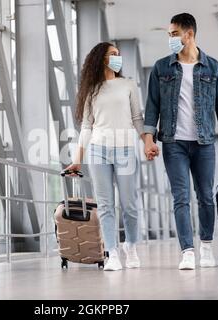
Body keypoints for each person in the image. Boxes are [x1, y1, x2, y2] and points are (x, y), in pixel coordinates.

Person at [143, 13, 218, 270]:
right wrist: (148, 139)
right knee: (180, 197)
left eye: (174, 34)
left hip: (204, 143)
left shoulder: (213, 67)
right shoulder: (161, 68)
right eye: (169, 35)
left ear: (189, 34)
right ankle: (187, 251)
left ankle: (207, 246)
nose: (171, 39)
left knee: (205, 197)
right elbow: (152, 107)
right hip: (173, 142)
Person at [65, 42, 148, 271]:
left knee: (129, 204)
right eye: (113, 54)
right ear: (101, 58)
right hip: (97, 150)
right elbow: (86, 126)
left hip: (125, 149)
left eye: (119, 54)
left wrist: (147, 142)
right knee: (105, 205)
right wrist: (77, 159)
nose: (117, 57)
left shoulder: (128, 84)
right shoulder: (91, 90)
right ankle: (111, 252)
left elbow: (137, 118)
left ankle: (130, 246)